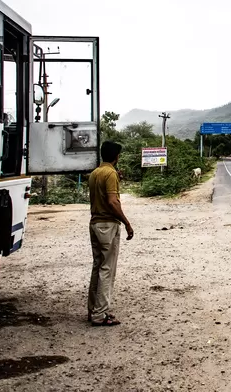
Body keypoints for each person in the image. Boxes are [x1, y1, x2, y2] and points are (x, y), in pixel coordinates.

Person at [87, 140, 134, 326]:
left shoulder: (95, 173)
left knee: (97, 267)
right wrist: (127, 223)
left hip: (95, 223)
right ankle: (101, 314)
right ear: (116, 156)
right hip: (108, 225)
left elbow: (102, 194)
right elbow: (113, 202)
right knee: (107, 270)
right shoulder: (111, 174)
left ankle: (92, 310)